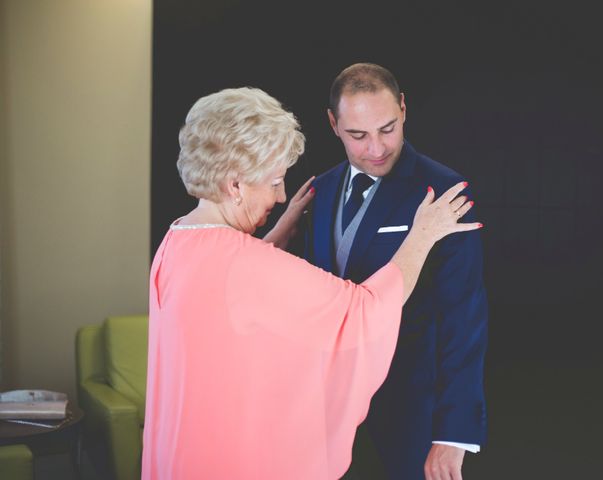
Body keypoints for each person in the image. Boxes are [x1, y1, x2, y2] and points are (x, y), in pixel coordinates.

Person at [141, 87, 481, 480]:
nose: (283, 194)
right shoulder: (249, 265)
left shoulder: (176, 242)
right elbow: (363, 310)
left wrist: (272, 240)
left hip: (182, 454)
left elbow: (223, 295)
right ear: (235, 186)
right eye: (274, 181)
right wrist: (422, 236)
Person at [303, 63, 488, 480]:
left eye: (387, 128)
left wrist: (453, 434)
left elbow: (464, 317)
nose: (377, 148)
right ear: (333, 123)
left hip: (411, 411)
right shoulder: (321, 189)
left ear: (403, 108)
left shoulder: (446, 191)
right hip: (325, 410)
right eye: (358, 135)